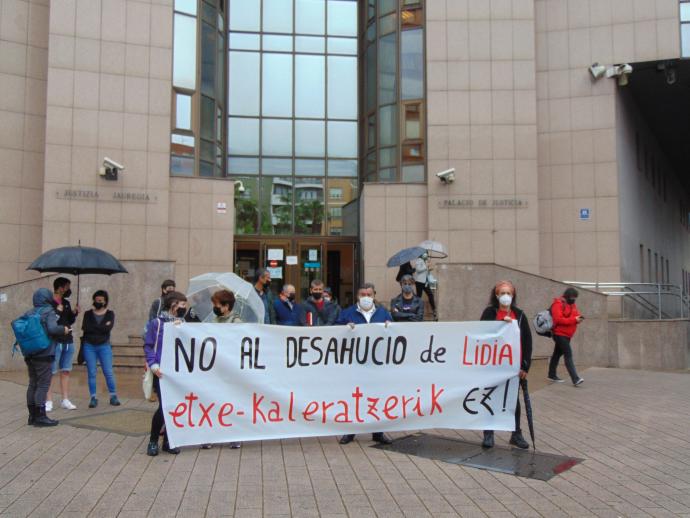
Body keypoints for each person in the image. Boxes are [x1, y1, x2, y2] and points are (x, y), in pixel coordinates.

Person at [336, 282, 393, 446]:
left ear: (374, 295)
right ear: (357, 296)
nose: (366, 298)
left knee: (377, 397)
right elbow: (334, 331)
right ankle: (350, 431)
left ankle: (378, 432)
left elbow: (395, 334)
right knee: (354, 397)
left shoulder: (383, 313)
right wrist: (344, 328)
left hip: (377, 364)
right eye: (363, 295)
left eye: (369, 294)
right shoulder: (347, 313)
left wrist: (390, 327)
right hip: (355, 363)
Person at [479, 280, 532, 450]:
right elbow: (481, 334)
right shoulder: (489, 313)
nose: (505, 296)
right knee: (490, 398)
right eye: (502, 293)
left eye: (508, 293)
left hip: (512, 368)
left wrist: (525, 366)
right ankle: (488, 433)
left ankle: (516, 433)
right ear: (496, 295)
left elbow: (527, 341)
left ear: (513, 295)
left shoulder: (520, 315)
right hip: (492, 366)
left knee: (513, 401)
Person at [144, 291, 188, 456]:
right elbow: (148, 345)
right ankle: (153, 441)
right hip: (161, 372)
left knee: (174, 406)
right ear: (174, 305)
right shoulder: (157, 323)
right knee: (164, 407)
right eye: (183, 305)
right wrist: (153, 364)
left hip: (178, 371)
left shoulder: (183, 324)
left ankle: (169, 441)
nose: (185, 308)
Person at [25, 288, 70, 427]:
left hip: (30, 353)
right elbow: (52, 329)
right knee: (43, 384)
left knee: (33, 383)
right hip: (44, 353)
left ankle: (32, 416)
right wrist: (64, 329)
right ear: (47, 298)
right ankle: (41, 417)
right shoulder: (48, 311)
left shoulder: (29, 312)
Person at [207, 289, 243, 449]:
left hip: (230, 370)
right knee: (213, 402)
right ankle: (211, 435)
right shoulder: (213, 321)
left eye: (217, 304)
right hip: (215, 369)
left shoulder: (237, 323)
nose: (214, 307)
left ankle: (234, 435)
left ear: (226, 306)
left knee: (231, 402)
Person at [81, 290, 120, 408]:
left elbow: (108, 329)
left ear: (105, 301)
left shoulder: (110, 314)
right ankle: (93, 397)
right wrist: (102, 327)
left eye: (100, 301)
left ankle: (113, 396)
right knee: (91, 372)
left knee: (108, 372)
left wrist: (96, 328)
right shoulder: (87, 314)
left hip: (104, 346)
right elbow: (85, 328)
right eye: (96, 300)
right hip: (89, 346)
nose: (98, 302)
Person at [46, 277, 78, 411]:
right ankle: (48, 401)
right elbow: (50, 322)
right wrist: (57, 311)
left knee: (66, 371)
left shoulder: (66, 302)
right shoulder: (49, 303)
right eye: (67, 287)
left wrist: (74, 313)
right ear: (60, 288)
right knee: (51, 371)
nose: (68, 289)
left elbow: (69, 321)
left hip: (68, 341)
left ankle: (65, 399)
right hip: (55, 341)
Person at [548, 287, 585, 386]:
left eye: (575, 298)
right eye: (572, 297)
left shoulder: (572, 305)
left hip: (567, 335)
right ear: (567, 296)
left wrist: (579, 318)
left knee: (557, 354)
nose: (573, 299)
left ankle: (551, 374)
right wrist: (574, 320)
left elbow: (575, 315)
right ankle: (575, 379)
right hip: (559, 334)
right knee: (568, 354)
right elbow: (558, 320)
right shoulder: (558, 304)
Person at [413, 253, 437, 319]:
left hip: (425, 281)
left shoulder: (424, 261)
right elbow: (418, 269)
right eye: (425, 253)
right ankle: (416, 311)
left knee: (430, 294)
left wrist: (429, 269)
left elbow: (424, 271)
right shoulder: (418, 260)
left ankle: (434, 310)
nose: (426, 255)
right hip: (419, 281)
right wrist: (426, 266)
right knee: (419, 296)